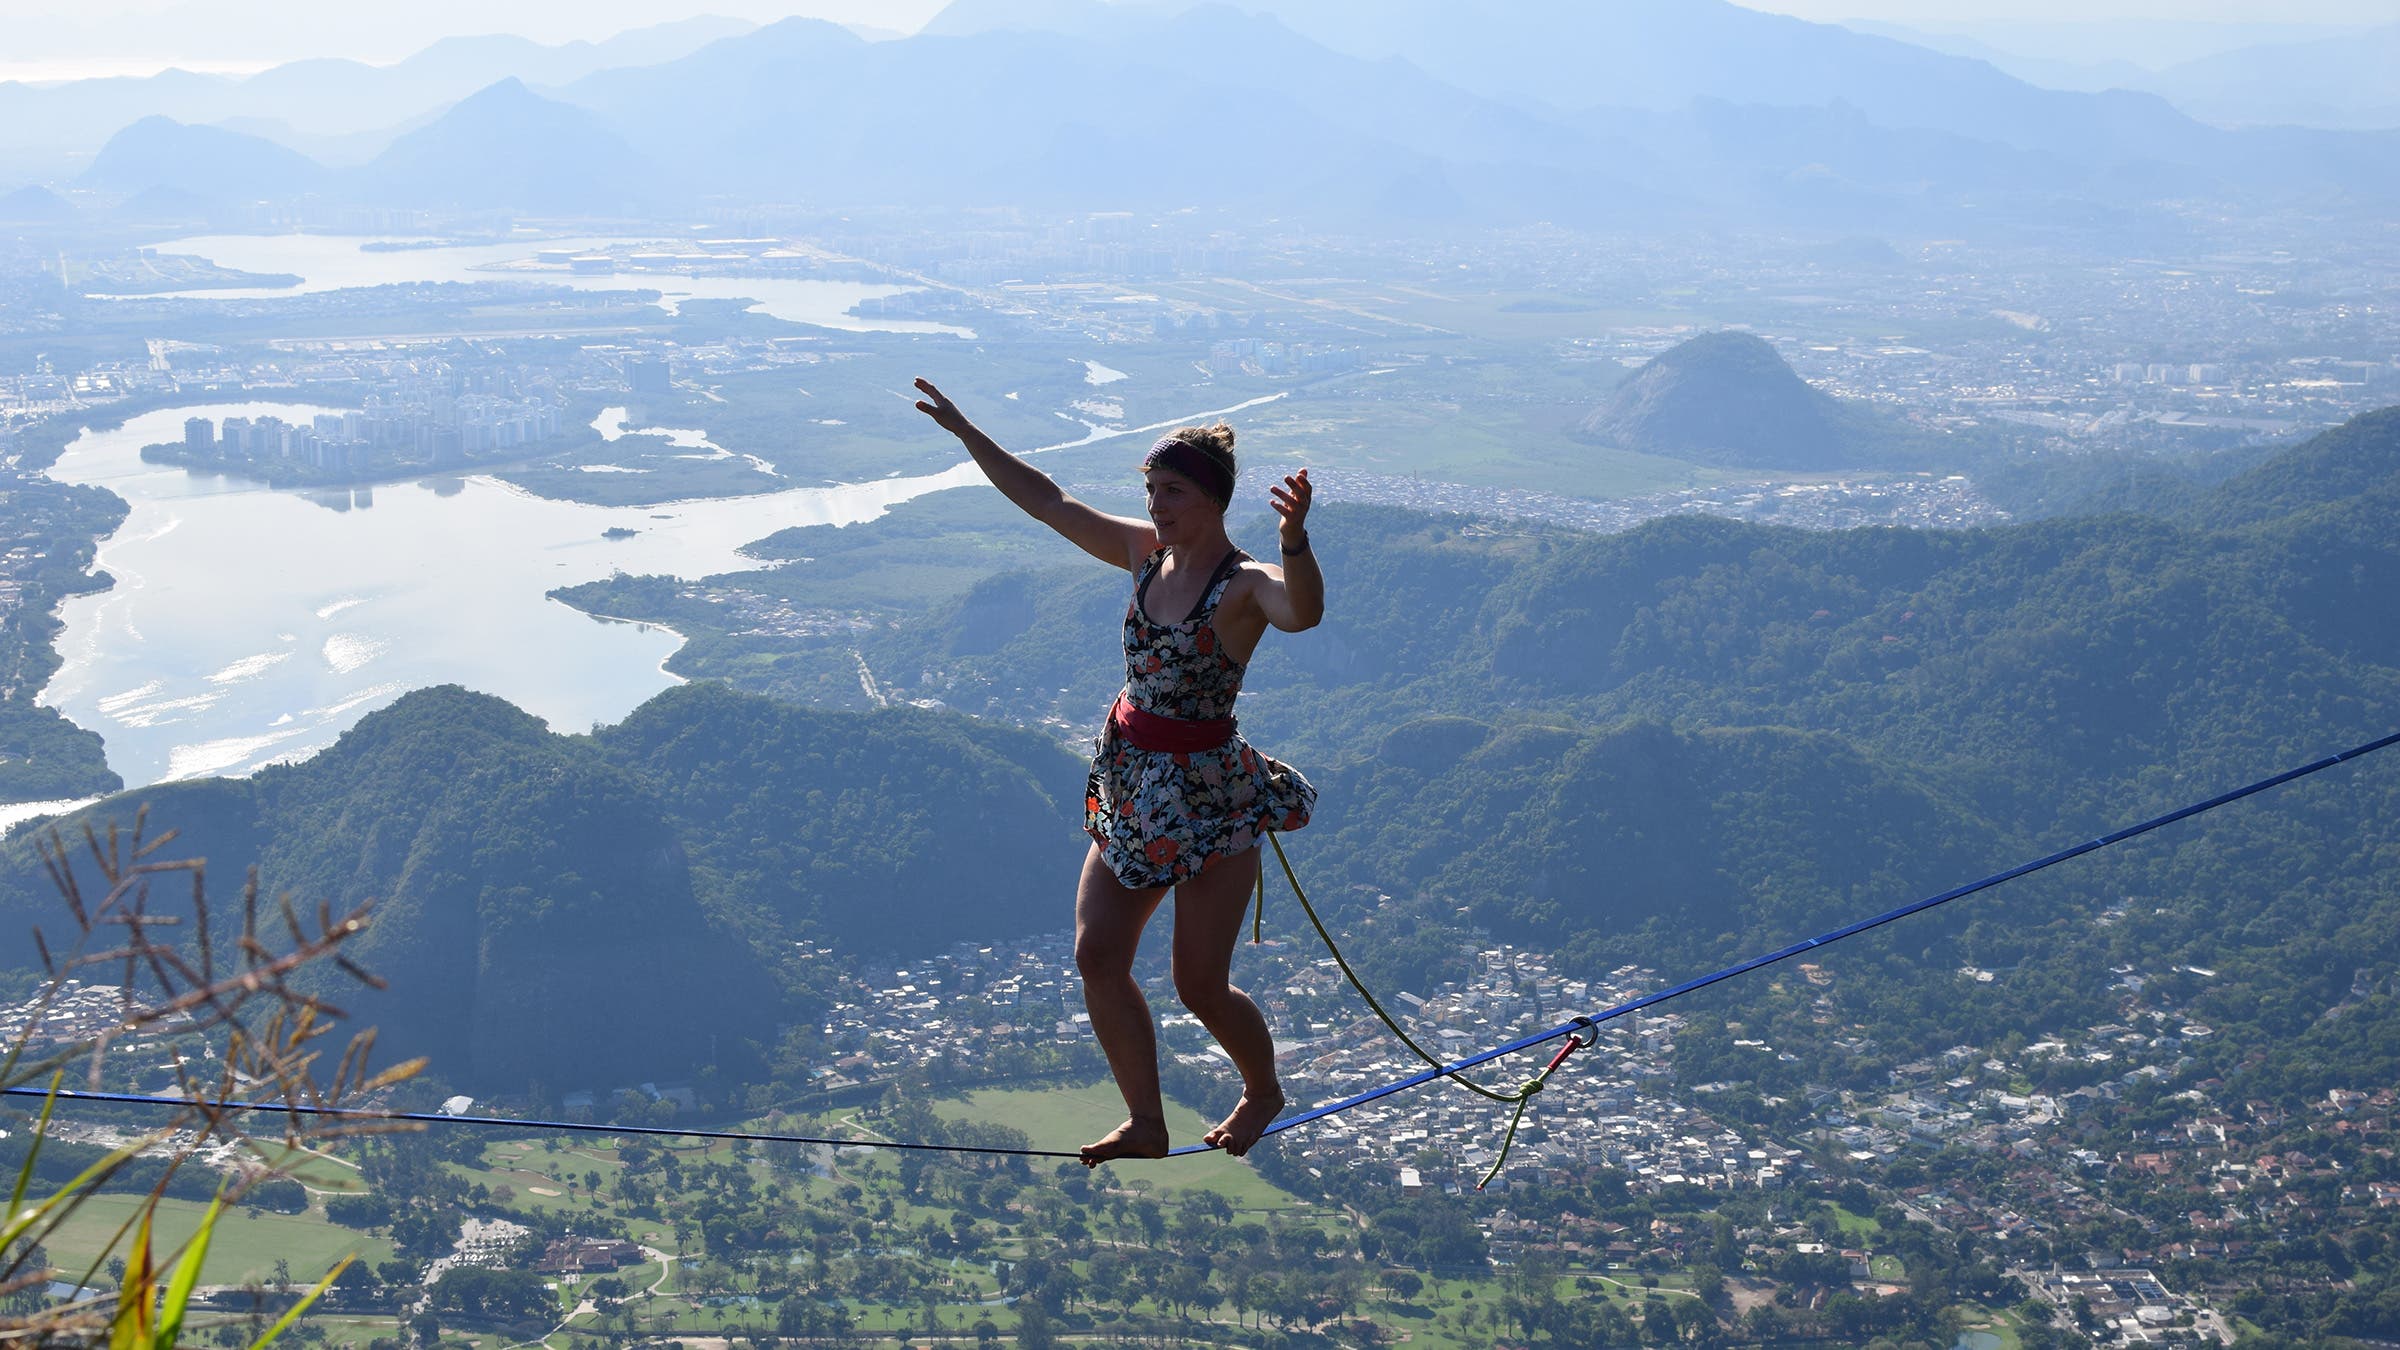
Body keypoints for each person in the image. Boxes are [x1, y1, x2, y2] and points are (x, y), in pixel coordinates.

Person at [913, 377, 1322, 1163]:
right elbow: (1050, 502)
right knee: (1097, 956)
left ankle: (1263, 1089)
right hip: (1133, 783)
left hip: (1206, 799)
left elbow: (1303, 612)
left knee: (1199, 985)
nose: (1157, 505)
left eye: (1171, 491)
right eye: (1151, 490)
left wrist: (1296, 539)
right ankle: (1146, 1119)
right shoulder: (1144, 555)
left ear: (1213, 499)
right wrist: (970, 435)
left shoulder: (1244, 585)